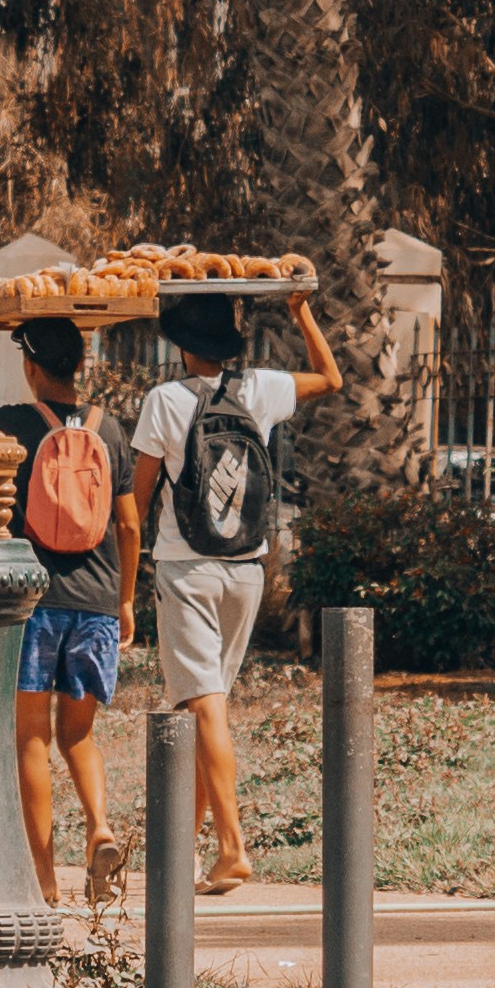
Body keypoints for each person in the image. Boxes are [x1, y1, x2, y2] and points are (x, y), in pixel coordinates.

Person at [131, 288, 343, 893]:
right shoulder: (258, 391)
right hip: (247, 570)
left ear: (179, 345)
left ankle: (232, 846)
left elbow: (140, 498)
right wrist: (301, 308)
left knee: (205, 706)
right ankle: (186, 854)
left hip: (188, 568)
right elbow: (329, 378)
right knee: (209, 705)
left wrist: (125, 574)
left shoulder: (164, 400)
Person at [0, 314, 142, 906]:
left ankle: (44, 879)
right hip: (98, 604)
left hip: (36, 604)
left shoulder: (11, 429)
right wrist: (124, 599)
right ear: (80, 364)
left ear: (30, 366)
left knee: (31, 738)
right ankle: (99, 827)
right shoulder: (113, 430)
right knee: (78, 736)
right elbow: (128, 524)